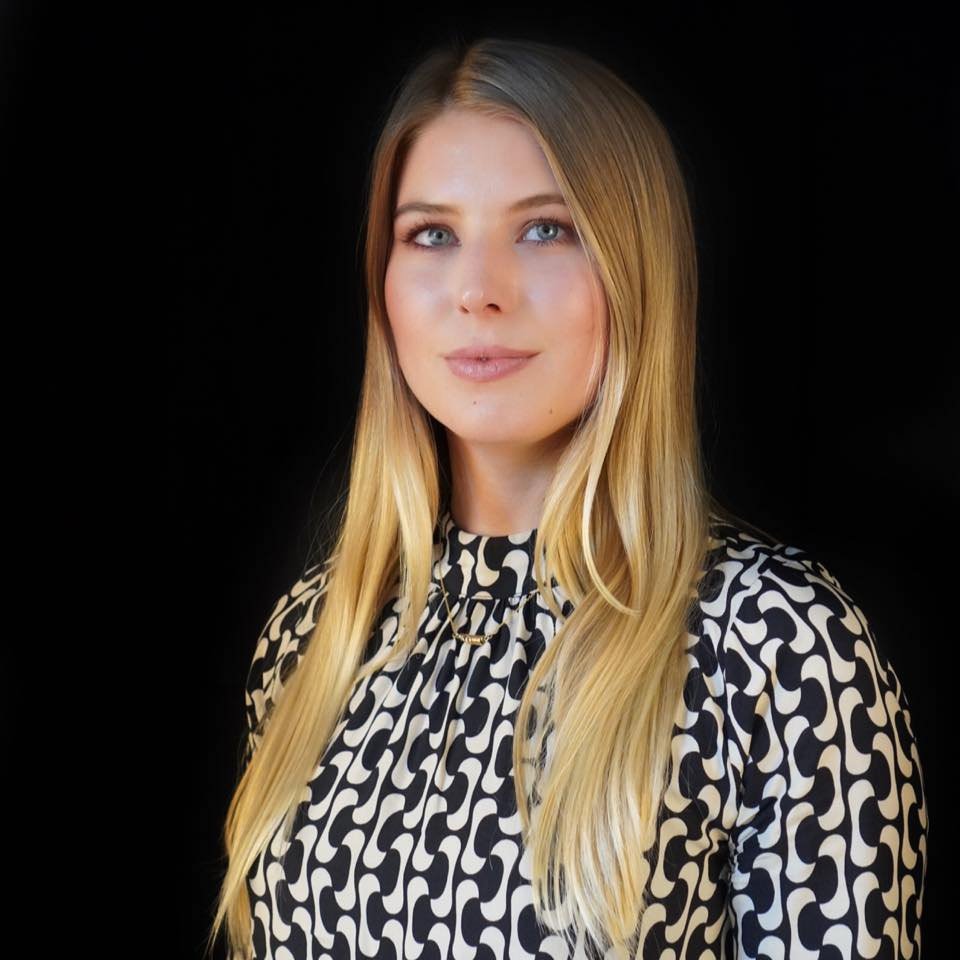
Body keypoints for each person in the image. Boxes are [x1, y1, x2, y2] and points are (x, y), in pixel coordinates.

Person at [206, 36, 929, 960]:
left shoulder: (776, 641)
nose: (477, 291)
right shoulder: (317, 634)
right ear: (381, 284)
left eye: (545, 228)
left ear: (635, 268)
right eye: (431, 233)